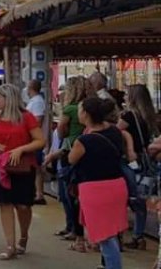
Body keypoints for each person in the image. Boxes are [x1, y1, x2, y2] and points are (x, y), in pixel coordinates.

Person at [0, 83, 46, 261]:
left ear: (9, 99)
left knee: (23, 205)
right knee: (5, 203)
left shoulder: (26, 117)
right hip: (0, 167)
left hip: (22, 166)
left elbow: (40, 140)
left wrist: (21, 149)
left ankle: (23, 236)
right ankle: (10, 245)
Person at [69, 96, 131, 269]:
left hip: (95, 189)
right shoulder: (114, 131)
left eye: (80, 110)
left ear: (87, 114)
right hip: (117, 185)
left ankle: (113, 266)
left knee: (104, 235)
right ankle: (109, 264)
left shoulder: (84, 140)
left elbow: (72, 159)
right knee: (111, 232)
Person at [43, 78, 88, 247]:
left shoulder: (69, 109)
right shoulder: (86, 108)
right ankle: (76, 229)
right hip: (83, 151)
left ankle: (73, 229)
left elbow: (61, 131)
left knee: (68, 191)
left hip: (68, 149)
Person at [119, 83, 158, 250]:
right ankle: (139, 234)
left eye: (127, 94)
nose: (125, 97)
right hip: (145, 158)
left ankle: (122, 233)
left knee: (126, 196)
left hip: (130, 158)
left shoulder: (128, 116)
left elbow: (116, 131)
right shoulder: (149, 116)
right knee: (140, 195)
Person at [24, 79, 47, 204]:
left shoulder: (37, 102)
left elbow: (38, 120)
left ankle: (39, 194)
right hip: (31, 139)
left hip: (35, 139)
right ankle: (35, 191)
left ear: (30, 88)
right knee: (33, 165)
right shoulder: (33, 101)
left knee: (37, 166)